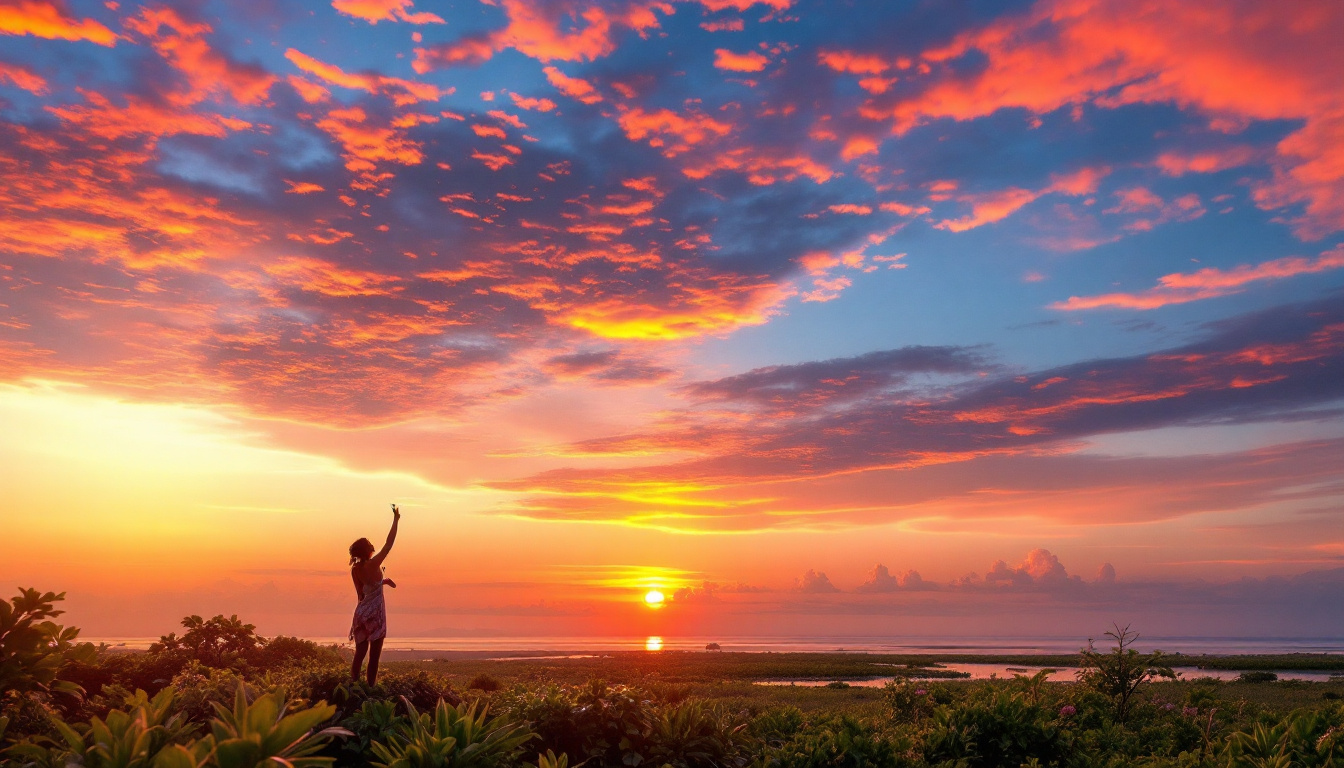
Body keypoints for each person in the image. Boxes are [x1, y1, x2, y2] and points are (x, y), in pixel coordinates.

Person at [349, 504, 399, 685]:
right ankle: (371, 690)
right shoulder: (374, 563)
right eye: (370, 545)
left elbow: (362, 594)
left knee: (359, 655)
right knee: (374, 658)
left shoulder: (355, 569)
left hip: (360, 614)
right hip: (375, 615)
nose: (373, 546)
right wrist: (396, 520)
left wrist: (383, 582)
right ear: (367, 550)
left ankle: (353, 686)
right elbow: (389, 544)